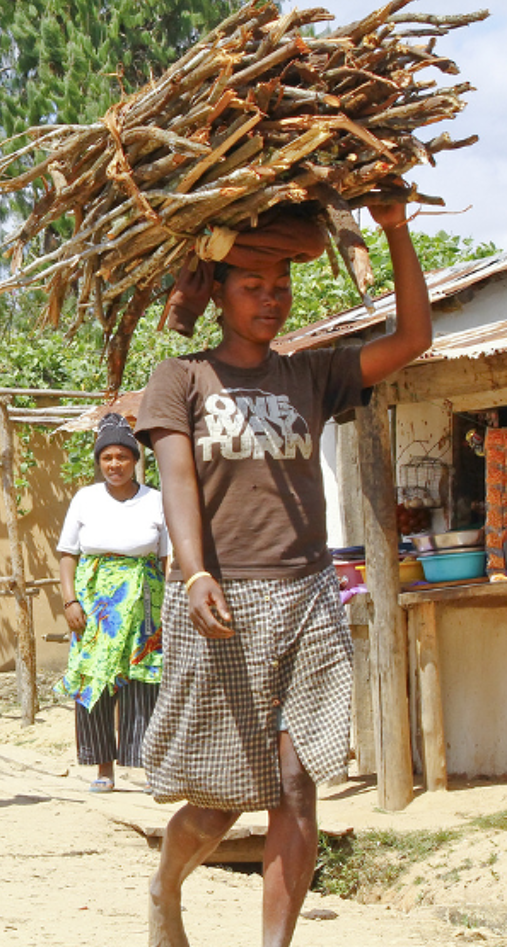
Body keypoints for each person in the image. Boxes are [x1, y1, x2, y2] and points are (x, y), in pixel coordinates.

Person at [137, 199, 430, 947]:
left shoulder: (313, 375)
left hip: (306, 594)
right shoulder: (181, 378)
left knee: (298, 787)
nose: (270, 299)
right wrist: (196, 572)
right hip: (219, 599)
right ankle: (165, 888)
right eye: (252, 286)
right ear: (218, 292)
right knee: (220, 799)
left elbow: (414, 338)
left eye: (280, 286)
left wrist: (393, 227)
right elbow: (176, 484)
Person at [54, 412, 168, 794]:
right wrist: (69, 600)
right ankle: (103, 768)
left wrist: (168, 608)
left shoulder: (156, 500)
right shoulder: (85, 499)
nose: (114, 465)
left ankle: (149, 766)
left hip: (145, 602)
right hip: (95, 605)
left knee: (144, 682)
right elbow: (68, 554)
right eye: (107, 458)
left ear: (135, 460)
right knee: (95, 679)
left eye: (122, 457)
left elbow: (167, 559)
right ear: (99, 462)